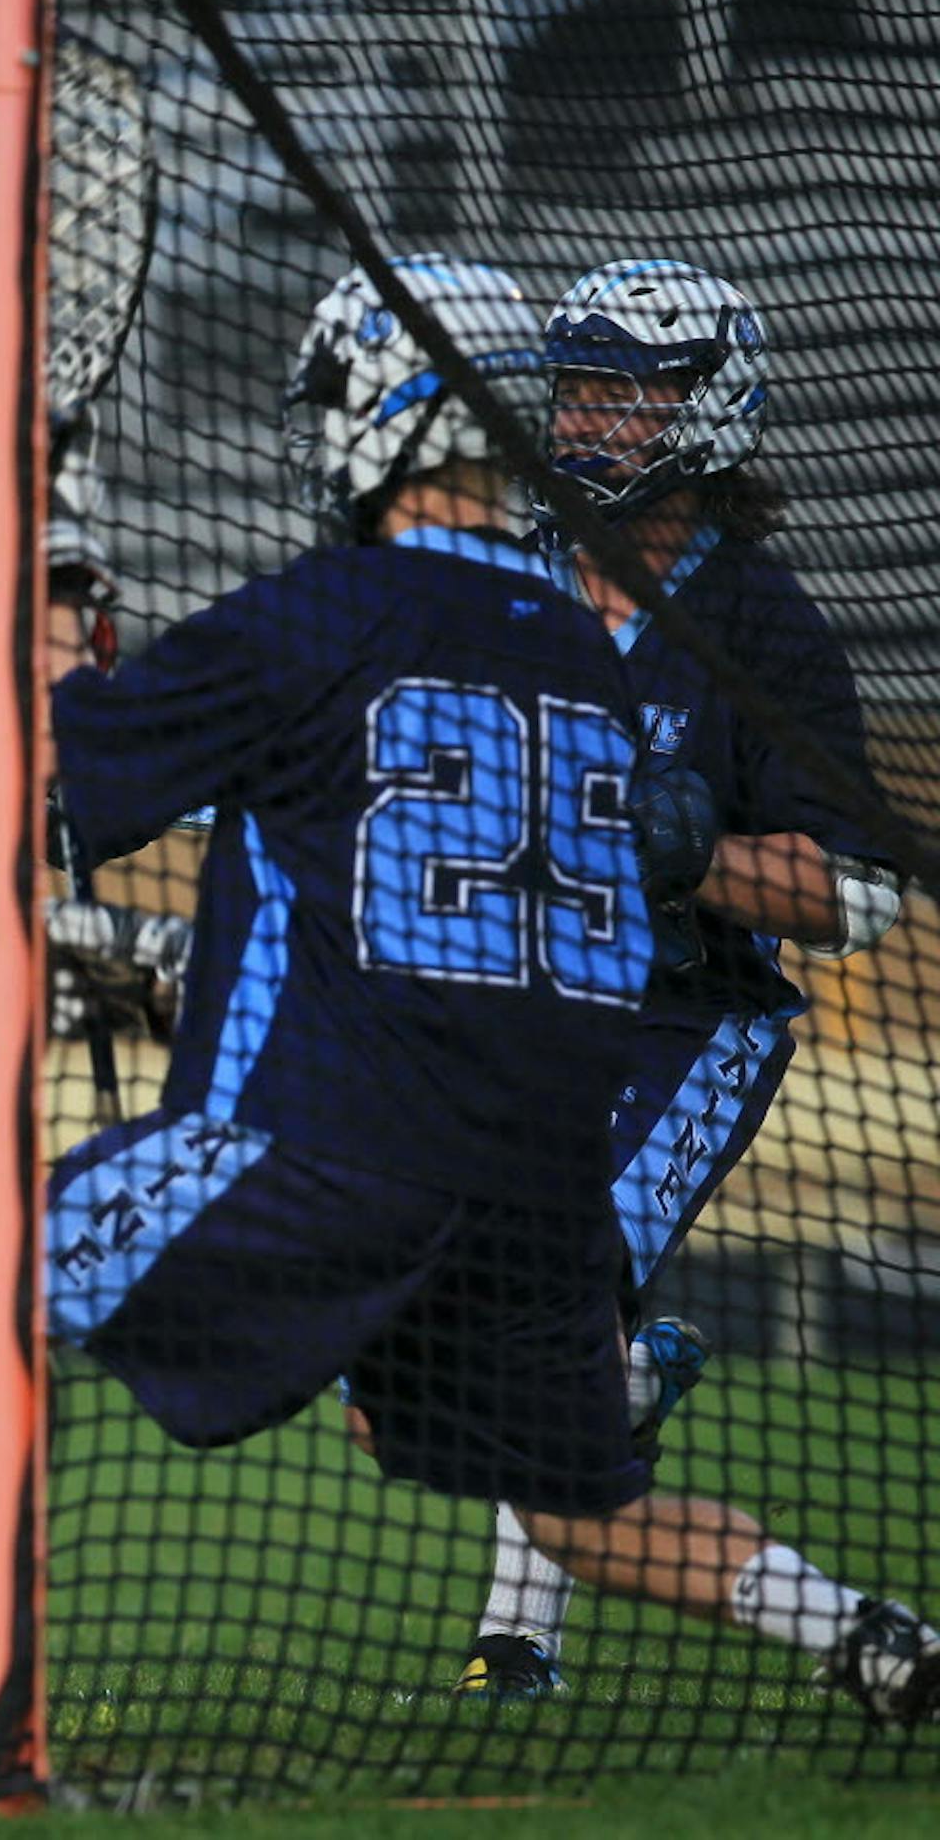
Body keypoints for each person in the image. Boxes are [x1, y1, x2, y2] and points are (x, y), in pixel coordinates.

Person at [0, 255, 938, 1773]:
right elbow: (405, 907)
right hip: (530, 1179)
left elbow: (53, 794)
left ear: (380, 419)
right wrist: (173, 957)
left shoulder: (327, 616)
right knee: (582, 1498)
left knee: (3, 1278)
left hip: (336, 1142)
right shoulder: (575, 648)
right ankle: (874, 1641)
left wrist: (44, 586)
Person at [448, 257, 903, 1703]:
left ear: (708, 410)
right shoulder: (495, 587)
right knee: (438, 1347)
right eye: (575, 389)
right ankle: (622, 1380)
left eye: (624, 393)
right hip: (509, 1027)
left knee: (539, 1302)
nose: (585, 421)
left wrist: (681, 850)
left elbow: (863, 892)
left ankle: (520, 1648)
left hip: (682, 1028)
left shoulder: (761, 629)